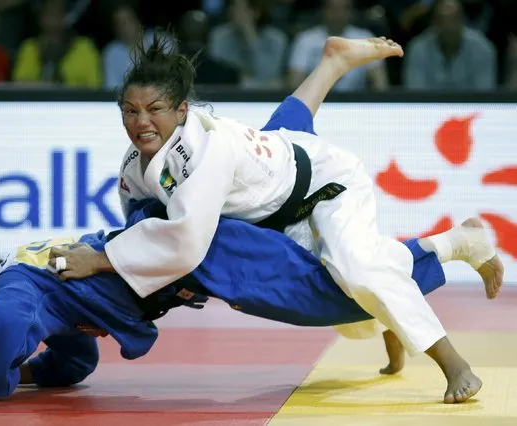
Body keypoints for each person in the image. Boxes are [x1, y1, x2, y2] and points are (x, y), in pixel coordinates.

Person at [50, 34, 504, 404]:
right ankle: (430, 272)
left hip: (323, 185)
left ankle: (453, 361)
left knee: (357, 271)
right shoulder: (136, 166)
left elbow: (186, 242)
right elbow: (144, 227)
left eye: (154, 110)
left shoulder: (204, 154)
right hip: (271, 189)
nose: (140, 122)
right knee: (333, 295)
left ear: (182, 110)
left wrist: (102, 258)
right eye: (130, 111)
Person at [0, 197, 450, 401]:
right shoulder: (29, 276)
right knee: (329, 284)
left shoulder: (12, 290)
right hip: (190, 262)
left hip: (203, 256)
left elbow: (5, 327)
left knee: (327, 297)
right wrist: (32, 374)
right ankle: (388, 310)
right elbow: (73, 356)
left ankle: (450, 243)